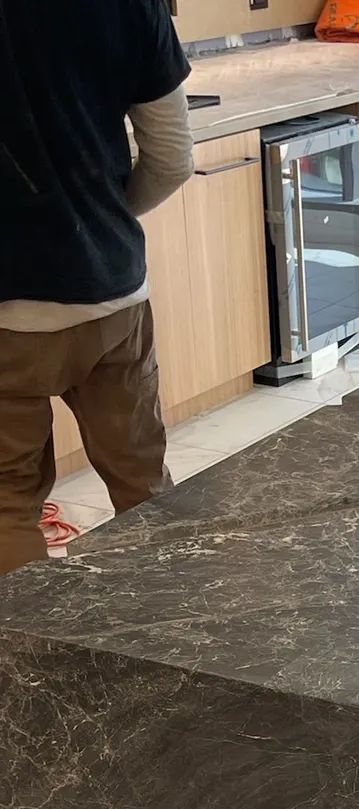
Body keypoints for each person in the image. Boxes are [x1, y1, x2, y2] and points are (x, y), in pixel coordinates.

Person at [0, 0, 194, 574]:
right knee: (145, 487)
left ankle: (38, 659)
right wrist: (100, 226)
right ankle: (175, 638)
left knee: (7, 505)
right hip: (110, 300)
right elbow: (172, 159)